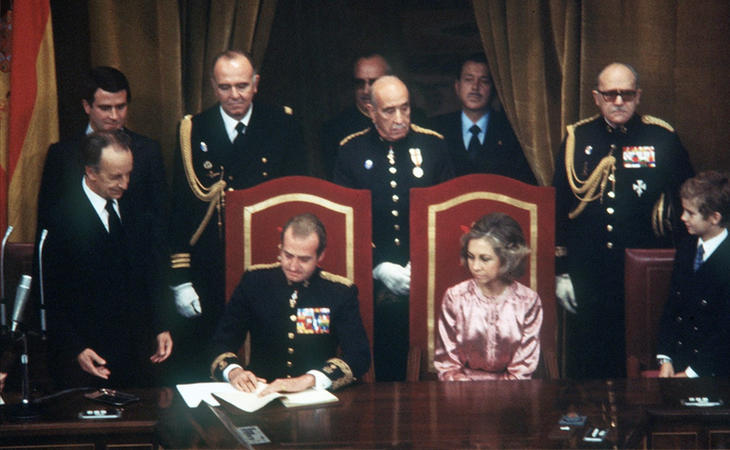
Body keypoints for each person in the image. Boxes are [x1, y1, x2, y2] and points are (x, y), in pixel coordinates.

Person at [168, 50, 306, 382]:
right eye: (226, 87)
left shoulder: (284, 124)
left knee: (268, 361)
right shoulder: (193, 130)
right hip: (211, 269)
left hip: (269, 266)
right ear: (214, 87)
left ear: (256, 84)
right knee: (213, 362)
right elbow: (181, 210)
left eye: (242, 85)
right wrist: (182, 279)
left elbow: (300, 199)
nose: (235, 95)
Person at [553, 62, 694, 379]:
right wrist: (560, 272)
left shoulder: (662, 138)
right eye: (610, 94)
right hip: (587, 274)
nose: (619, 101)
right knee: (587, 360)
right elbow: (560, 207)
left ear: (638, 96)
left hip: (642, 272)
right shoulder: (578, 138)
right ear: (596, 97)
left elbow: (690, 201)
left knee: (636, 356)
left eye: (626, 94)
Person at [333, 75, 454, 381]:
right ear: (370, 111)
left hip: (426, 280)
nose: (400, 119)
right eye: (389, 111)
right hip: (373, 283)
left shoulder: (434, 146)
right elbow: (344, 223)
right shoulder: (351, 151)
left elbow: (449, 216)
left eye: (405, 108)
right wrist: (377, 266)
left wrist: (423, 261)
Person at [43, 130, 172, 388]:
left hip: (138, 355)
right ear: (91, 172)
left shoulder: (134, 206)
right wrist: (76, 348)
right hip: (89, 358)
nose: (125, 184)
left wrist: (161, 326)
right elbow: (51, 296)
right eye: (115, 176)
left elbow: (152, 272)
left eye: (128, 174)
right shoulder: (61, 219)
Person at [210, 213, 370, 394]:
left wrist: (311, 379)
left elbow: (359, 356)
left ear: (320, 256)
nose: (293, 266)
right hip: (260, 393)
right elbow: (221, 343)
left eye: (304, 259)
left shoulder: (339, 292)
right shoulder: (255, 282)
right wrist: (234, 372)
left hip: (314, 398)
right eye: (288, 255)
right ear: (280, 249)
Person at [37, 66, 167, 235]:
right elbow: (46, 224)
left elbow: (159, 219)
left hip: (135, 258)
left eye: (120, 107)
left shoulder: (148, 151)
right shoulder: (62, 155)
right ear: (87, 106)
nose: (114, 116)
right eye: (105, 108)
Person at [435, 213, 542, 380]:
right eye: (471, 257)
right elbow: (447, 363)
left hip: (513, 395)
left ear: (508, 258)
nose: (475, 267)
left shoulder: (527, 301)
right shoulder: (455, 297)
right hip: (460, 394)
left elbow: (522, 369)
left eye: (485, 259)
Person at [656, 171, 730, 378]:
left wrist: (692, 374)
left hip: (714, 372)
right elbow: (672, 307)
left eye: (690, 213)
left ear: (715, 217)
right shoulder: (687, 247)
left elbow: (725, 333)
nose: (682, 218)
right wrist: (666, 359)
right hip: (678, 362)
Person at [431, 53, 536, 184]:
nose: (475, 87)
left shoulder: (511, 131)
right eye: (469, 80)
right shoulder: (437, 128)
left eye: (484, 81)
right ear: (457, 87)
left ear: (494, 89)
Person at [320, 53, 428, 180]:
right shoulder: (336, 129)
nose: (366, 90)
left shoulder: (418, 119)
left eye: (373, 82)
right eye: (359, 83)